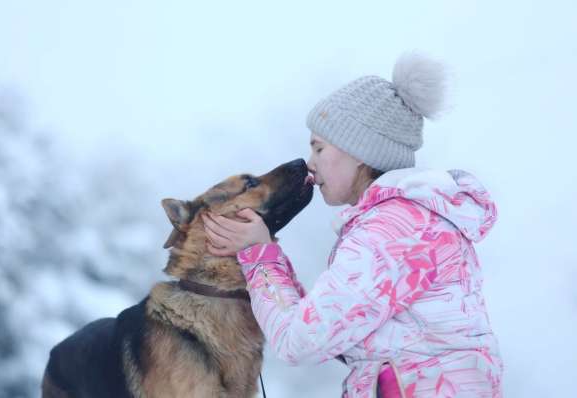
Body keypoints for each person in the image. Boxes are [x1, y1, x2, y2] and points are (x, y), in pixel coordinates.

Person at [202, 52, 503, 397]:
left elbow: (298, 341)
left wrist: (260, 256)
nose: (310, 165)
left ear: (359, 150)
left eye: (319, 148)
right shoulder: (415, 222)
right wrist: (265, 256)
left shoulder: (391, 233)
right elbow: (324, 327)